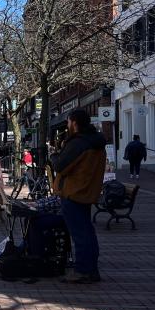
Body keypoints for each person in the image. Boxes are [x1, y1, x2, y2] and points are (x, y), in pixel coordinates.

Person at [50, 109, 106, 283]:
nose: (67, 126)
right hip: (86, 191)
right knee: (87, 232)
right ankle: (91, 269)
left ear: (74, 123)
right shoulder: (95, 141)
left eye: (68, 122)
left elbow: (61, 165)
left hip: (73, 193)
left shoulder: (78, 143)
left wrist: (53, 155)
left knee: (80, 234)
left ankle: (82, 270)